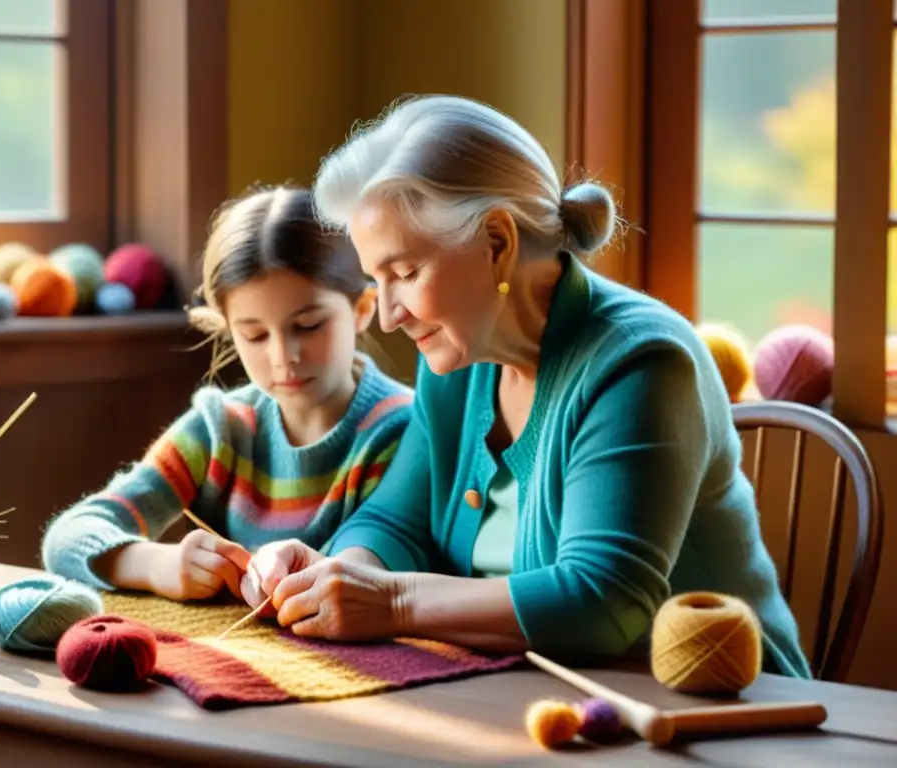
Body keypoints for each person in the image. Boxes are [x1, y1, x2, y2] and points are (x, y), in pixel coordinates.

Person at [237, 96, 812, 679]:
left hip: (720, 710)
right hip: (530, 694)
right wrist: (337, 573)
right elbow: (394, 521)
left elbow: (602, 601)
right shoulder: (460, 357)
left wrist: (391, 602)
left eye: (406, 274)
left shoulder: (642, 363)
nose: (388, 315)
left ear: (497, 243)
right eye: (377, 280)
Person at [41, 185, 414, 602]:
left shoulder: (403, 431)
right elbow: (68, 537)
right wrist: (157, 565)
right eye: (253, 334)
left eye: (308, 326)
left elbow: (374, 572)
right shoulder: (221, 429)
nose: (282, 356)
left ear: (363, 309)